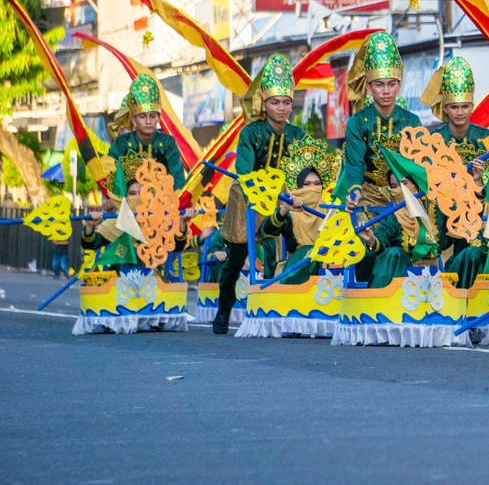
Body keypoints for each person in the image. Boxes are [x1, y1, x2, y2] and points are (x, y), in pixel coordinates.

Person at [213, 54, 307, 335]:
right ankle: (225, 307)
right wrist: (271, 196)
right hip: (248, 201)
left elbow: (302, 172)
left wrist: (296, 195)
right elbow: (245, 173)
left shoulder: (298, 134)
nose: (281, 108)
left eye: (286, 102)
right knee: (235, 258)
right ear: (263, 103)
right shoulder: (250, 133)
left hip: (287, 202)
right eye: (275, 102)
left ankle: (282, 305)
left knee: (289, 248)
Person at [422, 56, 489, 283]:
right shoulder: (435, 139)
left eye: (465, 106)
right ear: (445, 108)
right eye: (454, 107)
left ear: (472, 106)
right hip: (442, 215)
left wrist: (479, 183)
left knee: (478, 249)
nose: (459, 112)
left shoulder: (485, 138)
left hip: (476, 215)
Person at [342, 32, 421, 210]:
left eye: (391, 84)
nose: (386, 91)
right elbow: (355, 163)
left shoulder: (412, 121)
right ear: (369, 88)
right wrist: (355, 191)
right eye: (379, 84)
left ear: (399, 86)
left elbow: (419, 163)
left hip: (405, 196)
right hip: (368, 197)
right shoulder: (357, 123)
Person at [259, 137, 341, 285]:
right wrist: (284, 209)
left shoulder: (332, 208)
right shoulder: (291, 212)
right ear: (298, 187)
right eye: (306, 184)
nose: (312, 189)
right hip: (295, 270)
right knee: (308, 250)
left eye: (317, 184)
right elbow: (268, 229)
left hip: (327, 268)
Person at [105, 75, 185, 211]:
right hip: (128, 211)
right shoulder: (122, 143)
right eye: (142, 116)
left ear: (159, 118)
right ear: (134, 119)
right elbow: (108, 172)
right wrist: (110, 200)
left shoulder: (168, 143)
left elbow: (177, 179)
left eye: (152, 116)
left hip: (161, 210)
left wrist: (176, 201)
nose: (148, 121)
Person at [83, 179, 195, 272]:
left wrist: (183, 222)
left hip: (152, 284)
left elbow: (178, 246)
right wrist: (90, 225)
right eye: (132, 194)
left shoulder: (158, 220)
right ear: (125, 197)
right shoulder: (116, 219)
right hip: (119, 284)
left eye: (141, 193)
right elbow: (90, 245)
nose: (137, 198)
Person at [357, 171, 440, 288]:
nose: (399, 190)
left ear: (416, 184)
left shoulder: (434, 209)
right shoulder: (394, 216)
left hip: (434, 277)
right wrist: (371, 239)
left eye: (404, 184)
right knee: (395, 253)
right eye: (394, 187)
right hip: (404, 274)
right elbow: (382, 234)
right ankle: (378, 299)